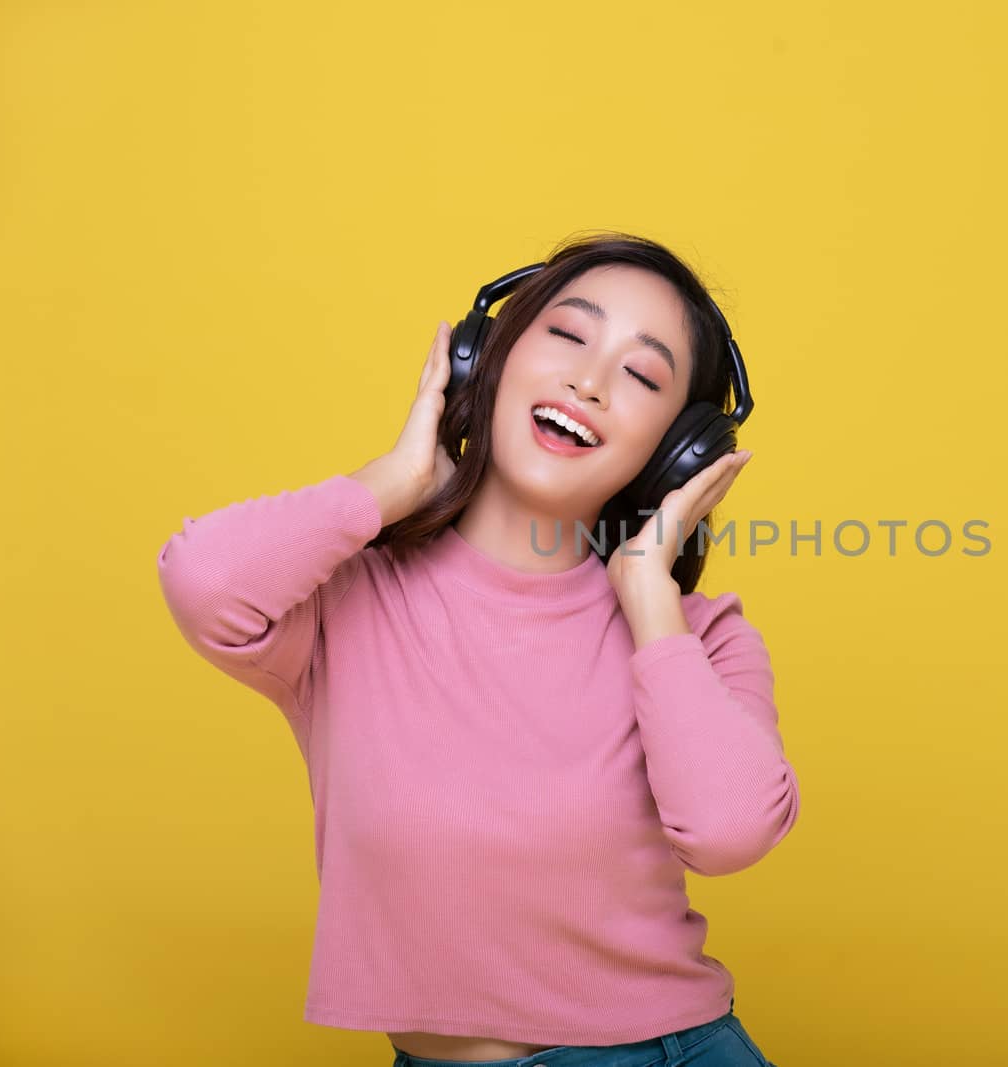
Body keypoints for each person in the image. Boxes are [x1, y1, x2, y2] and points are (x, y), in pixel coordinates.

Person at [155, 231, 797, 1065]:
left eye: (642, 376)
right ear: (481, 359)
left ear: (678, 451)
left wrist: (648, 598)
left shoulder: (698, 637)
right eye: (568, 335)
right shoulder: (347, 599)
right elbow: (203, 581)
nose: (590, 381)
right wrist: (394, 480)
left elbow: (730, 832)